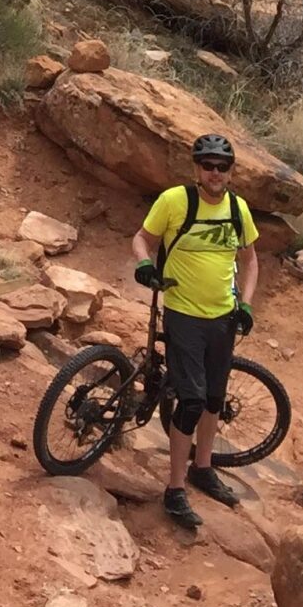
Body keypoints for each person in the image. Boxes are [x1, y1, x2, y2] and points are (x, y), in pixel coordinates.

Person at [131, 132, 260, 531]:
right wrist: (144, 265)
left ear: (230, 172)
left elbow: (251, 260)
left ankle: (203, 468)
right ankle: (174, 489)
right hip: (183, 313)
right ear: (196, 169)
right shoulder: (175, 201)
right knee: (190, 401)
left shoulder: (238, 209)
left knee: (214, 399)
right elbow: (142, 239)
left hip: (222, 317)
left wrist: (246, 304)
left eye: (222, 167)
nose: (215, 173)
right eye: (208, 165)